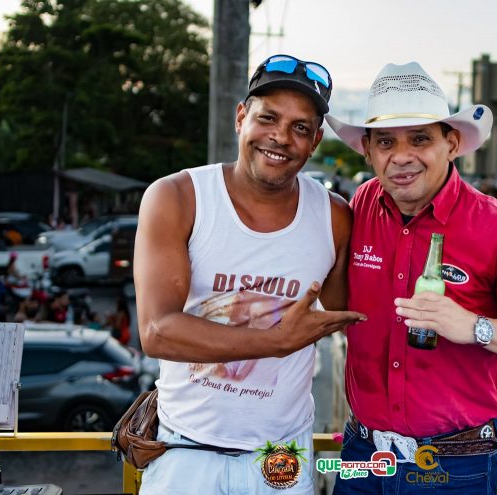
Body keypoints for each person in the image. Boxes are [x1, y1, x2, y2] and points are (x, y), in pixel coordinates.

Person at [326, 62, 497, 494]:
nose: (401, 156)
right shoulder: (365, 201)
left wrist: (474, 327)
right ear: (367, 150)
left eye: (421, 138)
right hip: (363, 457)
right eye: (386, 141)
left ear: (452, 143)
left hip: (453, 467)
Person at [134, 54, 366, 494]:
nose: (280, 137)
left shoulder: (333, 216)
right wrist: (275, 342)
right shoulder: (178, 197)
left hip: (282, 456)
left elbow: (348, 314)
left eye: (300, 128)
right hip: (187, 449)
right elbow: (156, 332)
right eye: (268, 118)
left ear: (315, 141)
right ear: (241, 117)